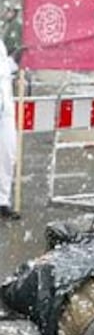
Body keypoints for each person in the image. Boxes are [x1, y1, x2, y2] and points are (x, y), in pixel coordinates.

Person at [0, 37, 20, 219]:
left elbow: (4, 71)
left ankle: (2, 201)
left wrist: (14, 61)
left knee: (7, 154)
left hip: (4, 108)